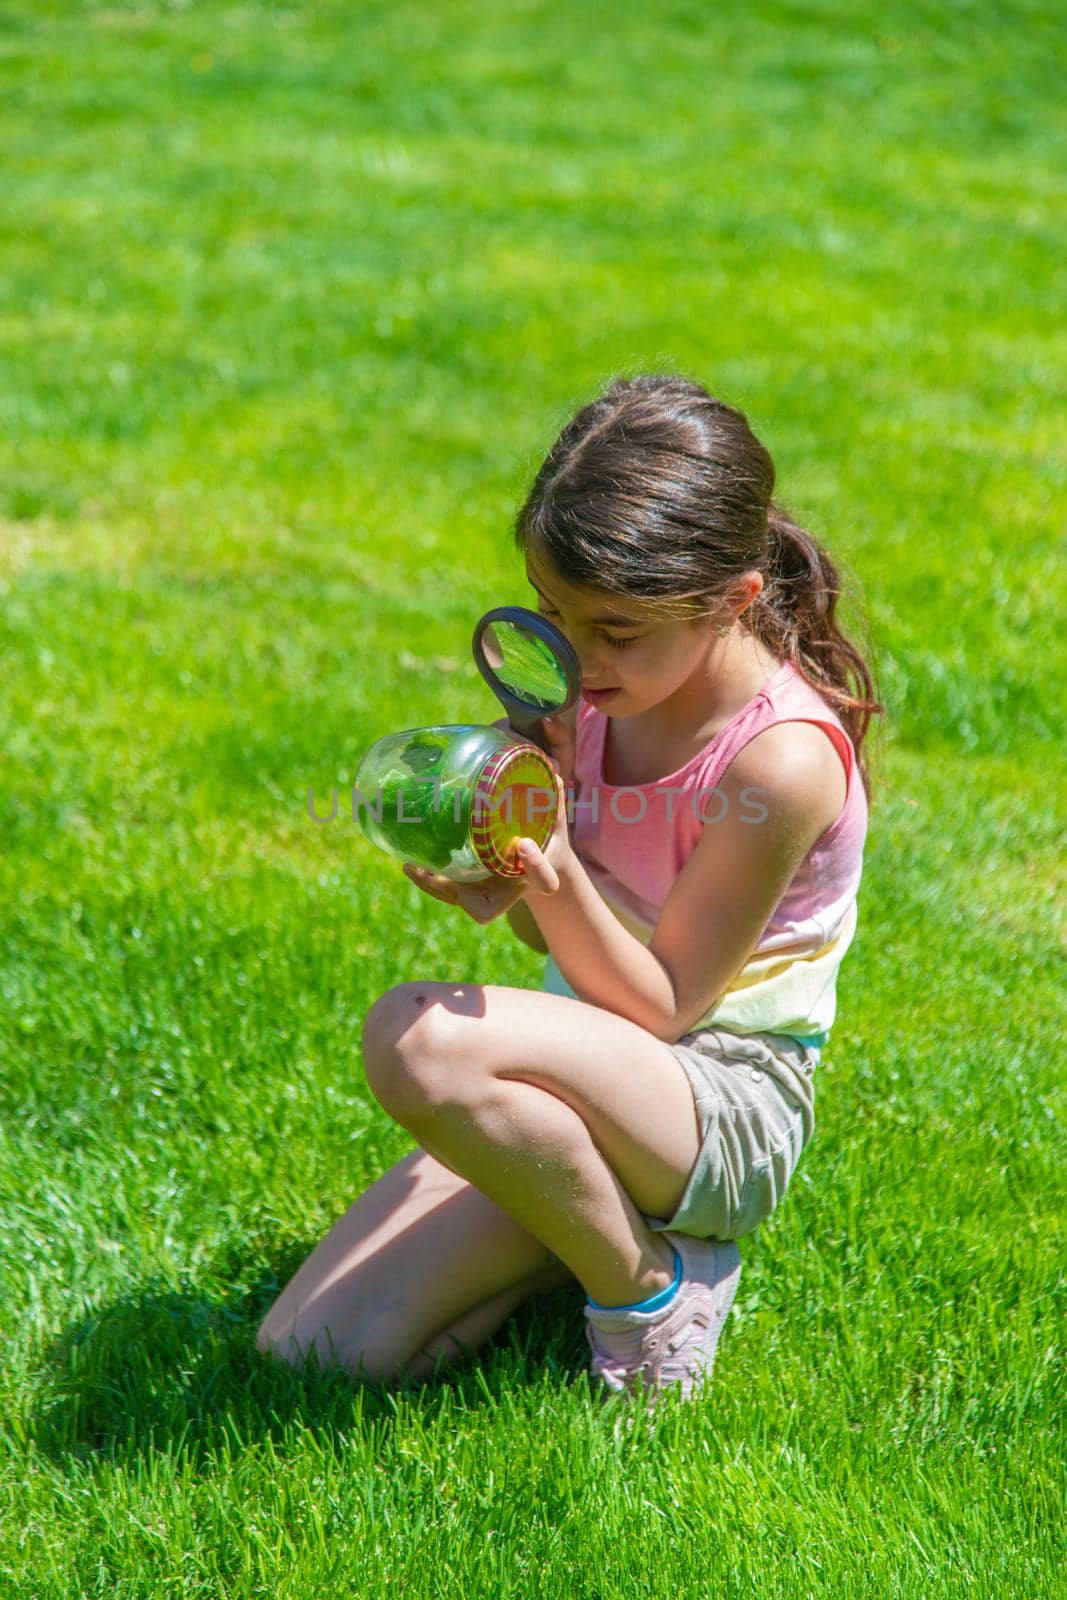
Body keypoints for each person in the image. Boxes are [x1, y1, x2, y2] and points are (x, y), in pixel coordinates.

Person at [256, 373, 883, 1409]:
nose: (577, 659)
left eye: (613, 630)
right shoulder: (596, 695)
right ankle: (574, 1213)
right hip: (585, 1074)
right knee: (314, 1354)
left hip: (717, 1102)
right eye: (553, 615)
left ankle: (649, 1285)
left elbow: (662, 1002)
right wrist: (499, 875)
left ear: (730, 600)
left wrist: (547, 873)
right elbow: (589, 941)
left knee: (420, 1040)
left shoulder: (777, 762)